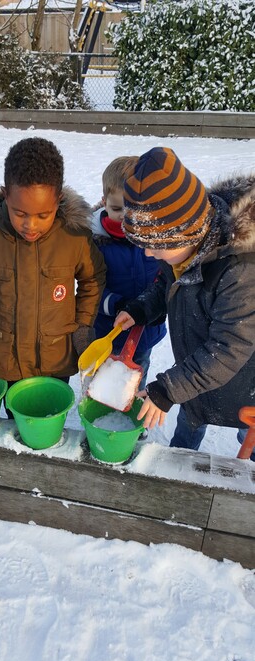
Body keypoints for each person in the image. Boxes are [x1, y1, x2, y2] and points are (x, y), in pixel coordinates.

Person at [114, 146, 255, 460]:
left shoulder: (240, 270)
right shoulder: (184, 249)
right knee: (190, 422)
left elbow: (230, 347)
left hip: (246, 382)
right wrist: (141, 309)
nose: (149, 255)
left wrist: (168, 389)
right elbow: (168, 285)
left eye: (155, 247)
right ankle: (178, 464)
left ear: (185, 235)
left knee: (250, 438)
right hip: (196, 376)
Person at [0, 137, 106, 388]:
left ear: (58, 199)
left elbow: (93, 278)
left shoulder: (73, 236)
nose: (30, 225)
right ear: (5, 195)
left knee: (50, 421)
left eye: (43, 215)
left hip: (55, 358)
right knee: (12, 424)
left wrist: (83, 324)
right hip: (5, 359)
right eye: (19, 213)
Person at [92, 155, 166, 388]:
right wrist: (116, 304)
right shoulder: (96, 243)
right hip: (108, 332)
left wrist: (158, 305)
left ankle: (132, 414)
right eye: (116, 208)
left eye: (133, 210)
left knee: (135, 377)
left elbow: (166, 278)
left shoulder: (155, 240)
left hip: (145, 334)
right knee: (103, 381)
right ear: (104, 202)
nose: (124, 217)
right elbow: (90, 289)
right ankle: (99, 415)